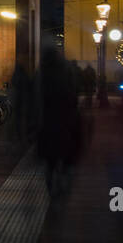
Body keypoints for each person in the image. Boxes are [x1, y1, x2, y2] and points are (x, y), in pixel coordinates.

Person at [36, 45, 82, 196]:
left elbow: (34, 99)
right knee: (66, 154)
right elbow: (73, 97)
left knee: (49, 160)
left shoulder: (40, 73)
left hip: (47, 123)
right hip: (65, 121)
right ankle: (63, 182)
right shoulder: (66, 72)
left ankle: (51, 186)